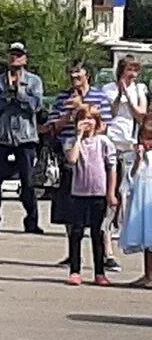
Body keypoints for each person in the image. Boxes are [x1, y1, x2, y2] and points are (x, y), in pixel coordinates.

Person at [44, 62, 113, 261]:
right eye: (71, 76)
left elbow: (105, 126)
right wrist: (70, 114)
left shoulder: (100, 97)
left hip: (95, 158)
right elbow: (53, 127)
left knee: (99, 207)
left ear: (87, 76)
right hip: (70, 154)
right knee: (70, 207)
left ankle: (106, 253)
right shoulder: (62, 98)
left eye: (78, 76)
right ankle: (73, 252)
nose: (74, 80)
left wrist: (84, 111)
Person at [0, 42, 45, 233]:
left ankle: (31, 221)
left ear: (25, 59)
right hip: (1, 137)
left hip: (25, 138)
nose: (15, 58)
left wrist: (20, 93)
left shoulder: (34, 82)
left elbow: (36, 106)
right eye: (12, 55)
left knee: (28, 181)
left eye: (19, 55)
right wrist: (6, 95)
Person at [102, 55, 147, 270]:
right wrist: (119, 94)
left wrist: (128, 95)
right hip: (112, 141)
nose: (133, 74)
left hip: (129, 144)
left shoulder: (140, 89)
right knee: (109, 194)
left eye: (136, 70)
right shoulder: (109, 88)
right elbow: (107, 114)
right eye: (130, 69)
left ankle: (120, 229)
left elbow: (141, 116)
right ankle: (106, 244)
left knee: (125, 191)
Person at [64, 105, 116, 286]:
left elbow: (111, 167)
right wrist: (78, 136)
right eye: (83, 119)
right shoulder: (72, 142)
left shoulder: (103, 142)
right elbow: (72, 159)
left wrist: (111, 192)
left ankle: (100, 272)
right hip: (79, 193)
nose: (87, 123)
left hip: (98, 193)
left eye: (90, 119)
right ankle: (75, 270)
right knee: (76, 232)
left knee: (97, 233)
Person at [120, 116, 152, 287]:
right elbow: (130, 178)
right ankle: (148, 275)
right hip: (142, 200)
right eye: (144, 138)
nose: (147, 143)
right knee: (147, 240)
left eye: (150, 138)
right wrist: (139, 160)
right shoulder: (136, 156)